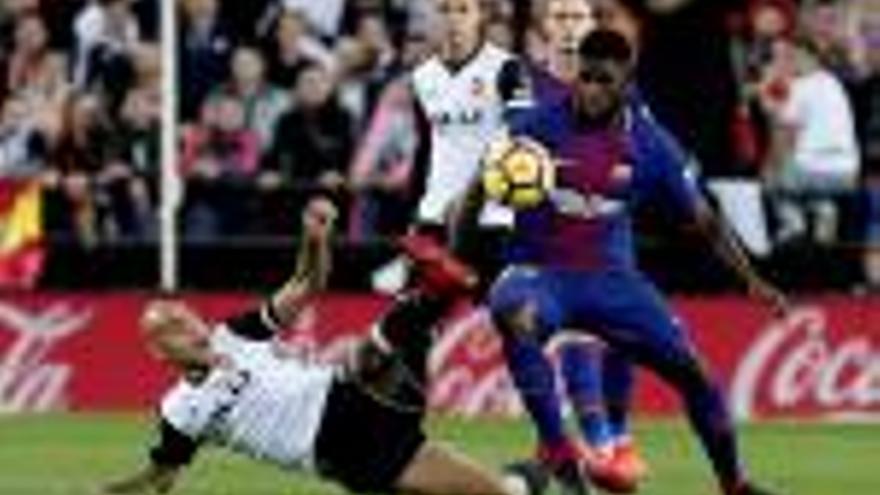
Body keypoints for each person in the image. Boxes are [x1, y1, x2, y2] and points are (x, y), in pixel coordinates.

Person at [479, 29, 785, 495]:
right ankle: (560, 452)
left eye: (603, 80)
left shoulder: (649, 144)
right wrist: (456, 251)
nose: (590, 89)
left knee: (698, 375)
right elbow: (477, 187)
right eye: (584, 77)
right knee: (511, 310)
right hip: (542, 273)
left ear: (625, 83)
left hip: (612, 282)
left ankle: (735, 484)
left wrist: (752, 279)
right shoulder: (535, 126)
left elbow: (704, 219)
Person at [100, 196, 547, 495]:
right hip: (336, 451)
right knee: (493, 492)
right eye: (169, 329)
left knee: (372, 359)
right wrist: (114, 490)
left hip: (342, 398)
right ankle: (536, 475)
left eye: (183, 315)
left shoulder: (236, 333)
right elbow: (162, 476)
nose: (186, 326)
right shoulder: (180, 410)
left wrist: (314, 241)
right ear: (159, 353)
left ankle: (444, 278)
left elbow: (306, 282)